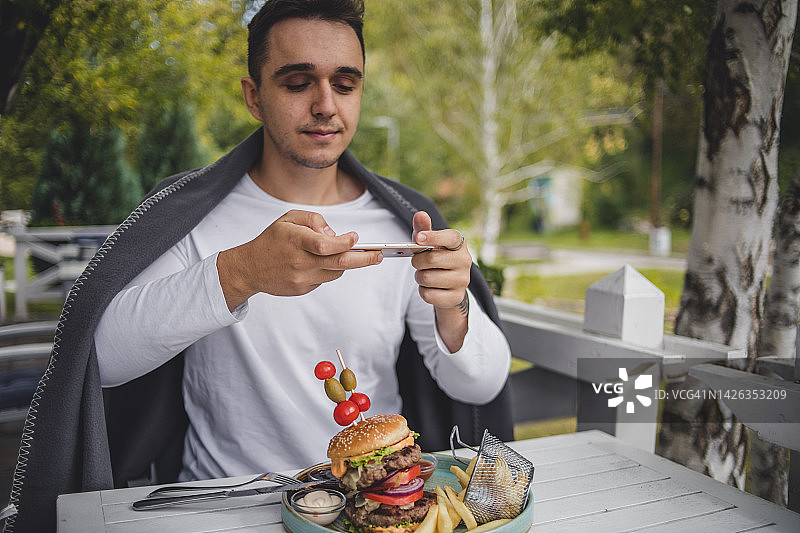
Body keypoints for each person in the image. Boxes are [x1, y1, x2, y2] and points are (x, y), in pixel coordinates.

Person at [4, 1, 513, 531]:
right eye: (297, 82)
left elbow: (480, 386)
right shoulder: (192, 214)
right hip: (224, 509)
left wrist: (453, 307)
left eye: (345, 83)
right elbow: (99, 360)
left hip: (372, 510)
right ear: (254, 97)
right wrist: (241, 272)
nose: (325, 105)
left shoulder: (404, 223)